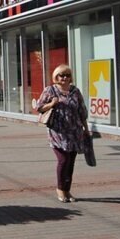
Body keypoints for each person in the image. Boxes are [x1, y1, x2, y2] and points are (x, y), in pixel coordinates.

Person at [36, 64, 88, 203]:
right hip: (57, 132)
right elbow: (39, 108)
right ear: (56, 77)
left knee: (70, 162)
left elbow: (82, 112)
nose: (64, 78)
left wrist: (86, 130)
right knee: (63, 160)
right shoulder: (50, 90)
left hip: (74, 132)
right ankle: (60, 189)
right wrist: (52, 103)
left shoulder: (75, 91)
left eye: (67, 75)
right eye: (61, 75)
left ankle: (67, 190)